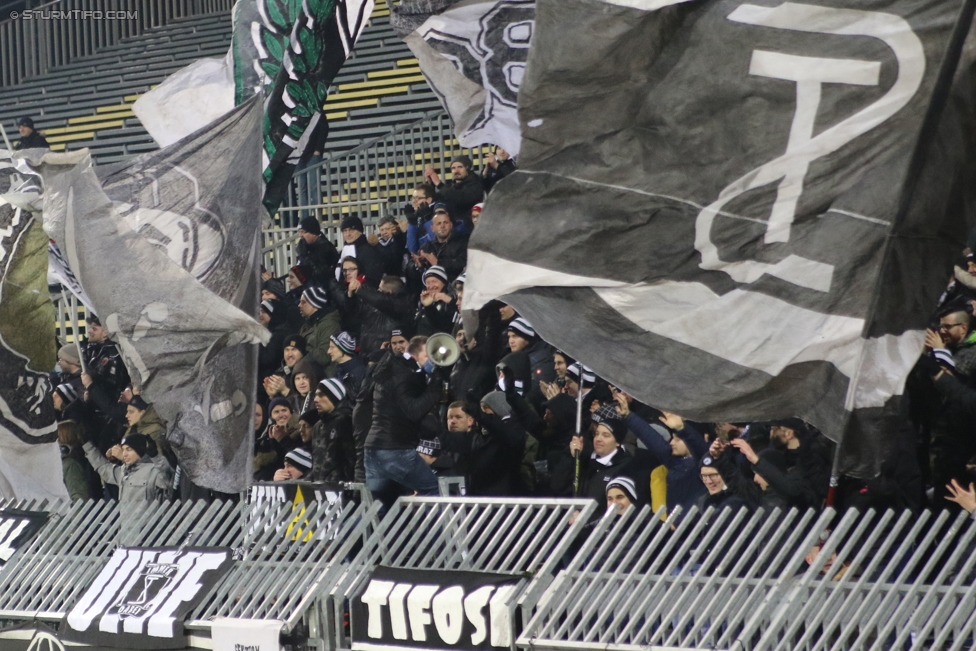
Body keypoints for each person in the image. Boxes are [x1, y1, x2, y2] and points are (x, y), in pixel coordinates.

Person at [364, 336, 447, 509]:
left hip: (374, 449)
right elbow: (413, 411)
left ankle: (359, 535)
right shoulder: (405, 375)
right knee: (432, 489)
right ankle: (437, 536)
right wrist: (435, 386)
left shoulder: (392, 369)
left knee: (381, 506)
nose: (433, 360)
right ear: (416, 355)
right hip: (396, 449)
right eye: (428, 354)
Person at [616, 399, 708, 515]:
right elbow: (651, 438)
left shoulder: (705, 463)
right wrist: (629, 416)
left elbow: (698, 446)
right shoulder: (675, 461)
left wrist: (682, 429)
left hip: (694, 527)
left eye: (678, 440)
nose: (672, 443)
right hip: (674, 527)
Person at [83, 433, 173, 505]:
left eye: (129, 449)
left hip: (149, 527)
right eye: (123, 450)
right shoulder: (123, 471)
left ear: (140, 450)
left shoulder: (154, 471)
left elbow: (167, 475)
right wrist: (88, 447)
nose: (124, 454)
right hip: (126, 526)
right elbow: (103, 468)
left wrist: (155, 455)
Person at [347, 275, 414, 355]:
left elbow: (382, 301)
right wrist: (350, 296)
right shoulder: (373, 305)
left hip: (387, 355)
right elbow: (355, 310)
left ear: (389, 292)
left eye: (380, 290)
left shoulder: (401, 305)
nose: (377, 292)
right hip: (366, 355)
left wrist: (360, 289)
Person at [311, 378, 355, 482]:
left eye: (321, 395)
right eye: (315, 395)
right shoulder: (317, 426)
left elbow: (352, 460)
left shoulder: (346, 421)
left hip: (340, 490)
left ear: (334, 397)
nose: (316, 400)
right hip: (320, 489)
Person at [423, 155, 485, 221]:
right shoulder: (451, 186)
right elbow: (438, 198)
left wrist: (439, 184)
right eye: (453, 168)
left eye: (460, 167)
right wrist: (431, 184)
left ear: (467, 168)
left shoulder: (476, 183)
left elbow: (461, 198)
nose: (456, 171)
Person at [414, 208, 469, 281]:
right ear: (432, 228)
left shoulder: (463, 242)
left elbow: (462, 263)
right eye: (439, 223)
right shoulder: (426, 247)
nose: (442, 226)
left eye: (445, 222)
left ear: (451, 225)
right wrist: (420, 264)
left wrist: (438, 263)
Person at [299, 285, 343, 368]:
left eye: (303, 302)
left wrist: (300, 353)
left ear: (315, 304)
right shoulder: (307, 325)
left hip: (322, 375)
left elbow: (324, 355)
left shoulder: (330, 325)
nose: (299, 305)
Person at [338, 216, 384, 286]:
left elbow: (373, 278)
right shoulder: (343, 252)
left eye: (351, 230)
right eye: (345, 231)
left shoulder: (369, 251)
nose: (348, 234)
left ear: (360, 232)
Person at [122, 395, 168, 461]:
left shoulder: (154, 431)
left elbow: (158, 462)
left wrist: (121, 457)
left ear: (142, 413)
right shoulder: (133, 428)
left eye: (131, 412)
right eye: (127, 412)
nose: (126, 415)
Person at [296, 216, 340, 284]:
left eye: (303, 232)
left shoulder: (326, 248)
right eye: (299, 232)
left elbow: (320, 273)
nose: (300, 235)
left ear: (313, 233)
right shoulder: (304, 246)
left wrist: (305, 257)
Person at [415, 266, 458, 336]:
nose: (431, 286)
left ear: (444, 282)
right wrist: (427, 306)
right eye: (428, 283)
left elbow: (444, 326)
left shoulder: (453, 300)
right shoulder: (423, 302)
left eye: (434, 281)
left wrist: (450, 301)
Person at [258, 298, 291, 381]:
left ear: (274, 314)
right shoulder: (272, 332)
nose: (260, 315)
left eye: (264, 312)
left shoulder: (279, 335)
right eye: (260, 311)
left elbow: (267, 359)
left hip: (271, 382)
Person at [329, 332, 368, 398]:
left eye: (332, 347)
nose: (329, 351)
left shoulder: (359, 373)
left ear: (343, 349)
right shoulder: (338, 370)